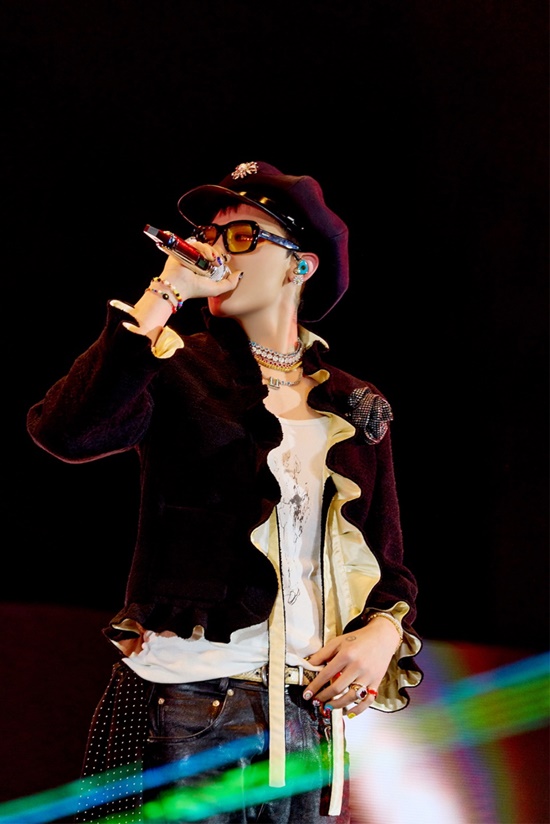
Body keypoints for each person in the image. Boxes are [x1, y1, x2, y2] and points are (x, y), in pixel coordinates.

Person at [26, 160, 423, 824]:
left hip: (308, 721)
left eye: (241, 236)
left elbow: (389, 563)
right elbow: (67, 431)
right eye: (210, 236)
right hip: (184, 703)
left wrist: (385, 629)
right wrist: (165, 292)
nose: (215, 251)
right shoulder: (178, 367)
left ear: (301, 266)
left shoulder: (353, 402)